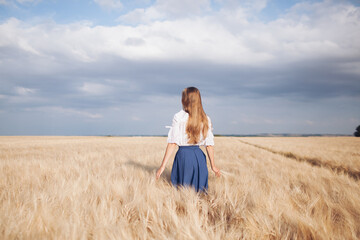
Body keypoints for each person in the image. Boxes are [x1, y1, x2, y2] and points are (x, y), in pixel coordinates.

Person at [156, 87, 221, 192]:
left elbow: (172, 143)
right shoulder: (205, 118)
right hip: (199, 158)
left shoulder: (179, 117)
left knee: (182, 191)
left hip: (183, 157)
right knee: (200, 192)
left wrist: (162, 167)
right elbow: (209, 145)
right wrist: (213, 166)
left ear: (184, 100)